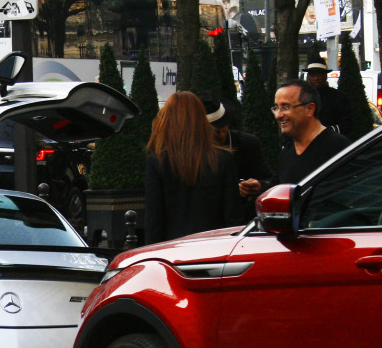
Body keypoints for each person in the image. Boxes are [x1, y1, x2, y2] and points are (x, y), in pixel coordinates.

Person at [144, 91, 241, 243]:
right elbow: (233, 215)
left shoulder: (157, 162)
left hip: (172, 250)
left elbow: (154, 220)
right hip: (214, 248)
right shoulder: (223, 159)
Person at [258, 81, 351, 187]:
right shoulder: (287, 152)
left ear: (309, 109)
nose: (278, 115)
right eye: (276, 108)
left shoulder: (337, 147)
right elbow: (279, 187)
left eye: (286, 107)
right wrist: (260, 187)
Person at [199, 93, 272, 222]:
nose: (221, 134)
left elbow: (269, 181)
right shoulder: (192, 153)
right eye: (214, 131)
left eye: (223, 127)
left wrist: (259, 186)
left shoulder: (247, 144)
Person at [305, 61, 353, 134]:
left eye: (319, 74)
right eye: (313, 75)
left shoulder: (339, 97)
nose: (316, 78)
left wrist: (325, 132)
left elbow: (346, 124)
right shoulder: (300, 97)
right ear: (308, 77)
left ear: (326, 76)